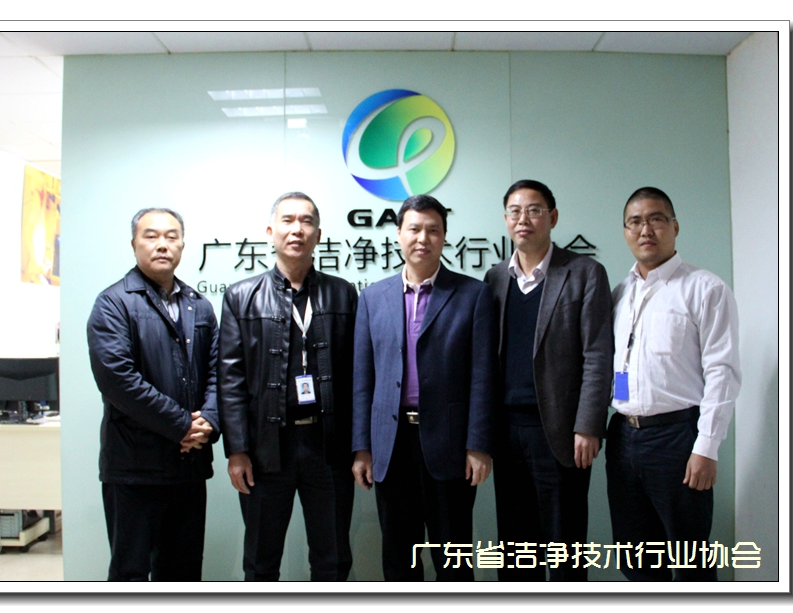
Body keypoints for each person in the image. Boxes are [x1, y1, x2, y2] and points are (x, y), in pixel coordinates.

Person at [352, 194, 496, 581]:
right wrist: (362, 447)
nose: (423, 238)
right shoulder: (373, 298)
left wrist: (478, 444)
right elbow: (363, 379)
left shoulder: (473, 295)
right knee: (400, 559)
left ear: (444, 236)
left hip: (450, 444)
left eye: (433, 230)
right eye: (414, 229)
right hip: (391, 444)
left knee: (453, 559)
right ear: (399, 234)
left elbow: (483, 376)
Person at [218, 192, 357, 581]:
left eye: (307, 221)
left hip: (328, 447)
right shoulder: (241, 296)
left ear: (318, 235)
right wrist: (237, 451)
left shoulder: (343, 293)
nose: (297, 229)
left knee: (332, 560)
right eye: (288, 220)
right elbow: (230, 380)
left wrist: (360, 445)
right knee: (260, 562)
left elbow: (359, 376)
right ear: (270, 232)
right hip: (266, 449)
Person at [607, 187, 741, 581]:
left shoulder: (705, 289)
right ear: (625, 231)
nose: (645, 230)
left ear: (675, 227)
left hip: (677, 439)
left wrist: (707, 447)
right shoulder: (620, 293)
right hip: (623, 437)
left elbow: (723, 372)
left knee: (690, 560)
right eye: (635, 222)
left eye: (656, 219)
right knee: (636, 560)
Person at [483, 180, 613, 581]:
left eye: (534, 210)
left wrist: (588, 425)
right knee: (515, 548)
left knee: (564, 545)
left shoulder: (584, 273)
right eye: (515, 211)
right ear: (506, 219)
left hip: (559, 431)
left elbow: (598, 355)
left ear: (552, 217)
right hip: (507, 433)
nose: (524, 219)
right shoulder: (494, 279)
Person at [87, 208, 219, 581]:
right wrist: (182, 426)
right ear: (134, 244)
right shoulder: (113, 302)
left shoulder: (199, 305)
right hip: (134, 468)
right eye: (151, 236)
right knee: (130, 574)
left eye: (171, 236)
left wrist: (209, 420)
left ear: (182, 245)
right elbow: (118, 380)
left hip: (188, 468)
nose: (162, 244)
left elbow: (219, 373)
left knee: (183, 573)